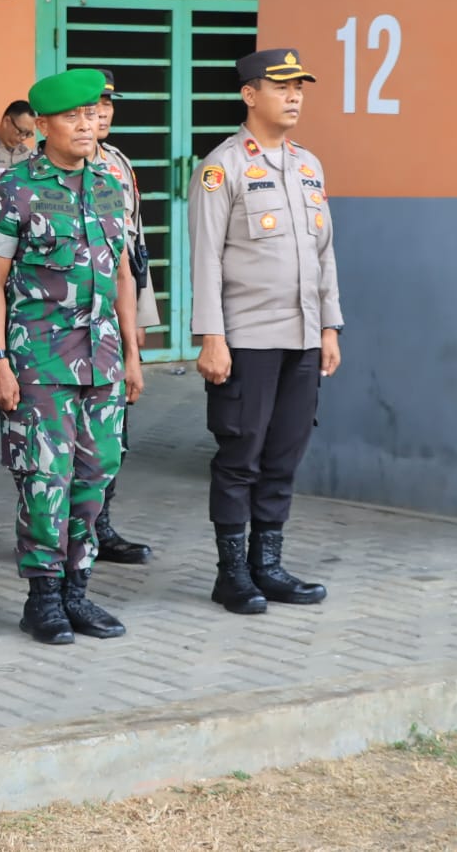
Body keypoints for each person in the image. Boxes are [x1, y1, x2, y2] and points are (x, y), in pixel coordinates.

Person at [0, 68, 144, 645]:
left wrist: (133, 355)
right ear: (42, 124)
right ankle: (42, 598)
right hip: (39, 359)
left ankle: (79, 593)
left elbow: (123, 273)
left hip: (102, 359)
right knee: (46, 477)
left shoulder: (109, 185)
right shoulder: (13, 189)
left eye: (92, 114)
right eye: (71, 116)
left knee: (96, 476)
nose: (86, 125)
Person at [189, 48, 342, 615]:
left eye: (300, 86)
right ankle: (232, 574)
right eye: (281, 86)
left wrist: (330, 325)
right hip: (246, 337)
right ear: (249, 95)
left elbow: (324, 254)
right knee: (240, 455)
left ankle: (268, 565)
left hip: (303, 338)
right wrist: (211, 335)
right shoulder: (221, 166)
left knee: (284, 454)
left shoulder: (309, 165)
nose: (295, 95)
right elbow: (204, 258)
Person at [90, 68, 161, 565]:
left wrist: (138, 321)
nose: (102, 115)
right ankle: (56, 533)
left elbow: (134, 250)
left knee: (112, 429)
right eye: (92, 107)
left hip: (114, 319)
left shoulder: (118, 164)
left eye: (107, 106)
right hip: (57, 323)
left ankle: (100, 524)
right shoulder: (33, 172)